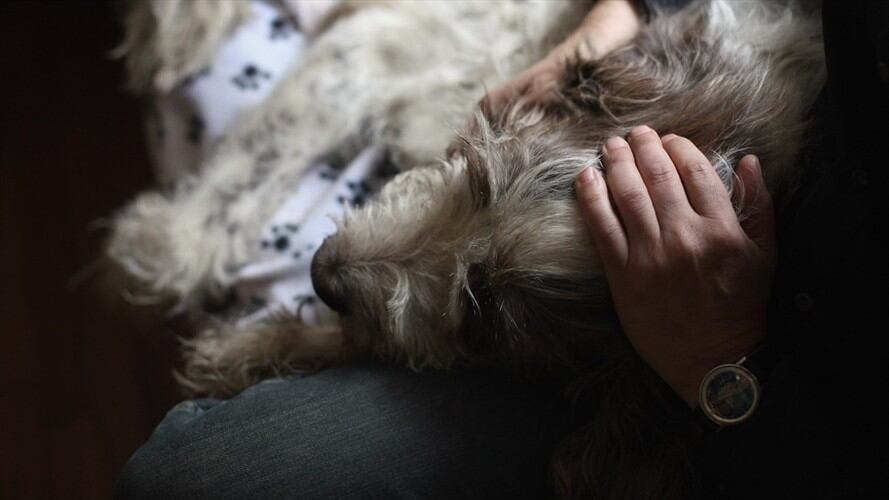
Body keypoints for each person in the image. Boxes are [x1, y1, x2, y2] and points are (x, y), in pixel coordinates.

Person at [116, 0, 888, 498]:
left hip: (768, 405)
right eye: (478, 179)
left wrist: (720, 365)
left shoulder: (634, 390)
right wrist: (611, 26)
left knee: (187, 477)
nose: (339, 263)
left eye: (484, 310)